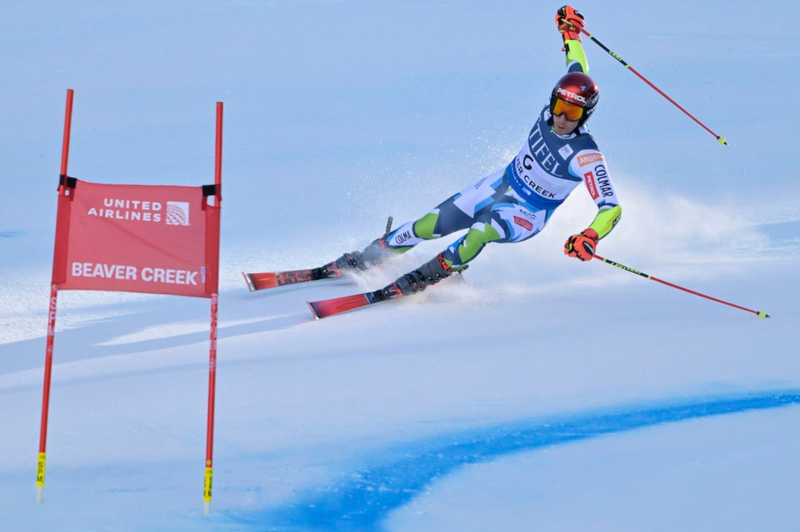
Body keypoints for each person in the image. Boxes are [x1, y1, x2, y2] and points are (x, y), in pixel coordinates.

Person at [319, 5, 622, 299]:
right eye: (558, 106)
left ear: (586, 115)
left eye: (572, 113)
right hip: (499, 184)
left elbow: (611, 208)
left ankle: (427, 276)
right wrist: (571, 34)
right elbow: (577, 66)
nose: (561, 117)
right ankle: (370, 256)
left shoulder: (586, 155)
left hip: (528, 212)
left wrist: (590, 236)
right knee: (427, 225)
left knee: (481, 231)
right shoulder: (556, 107)